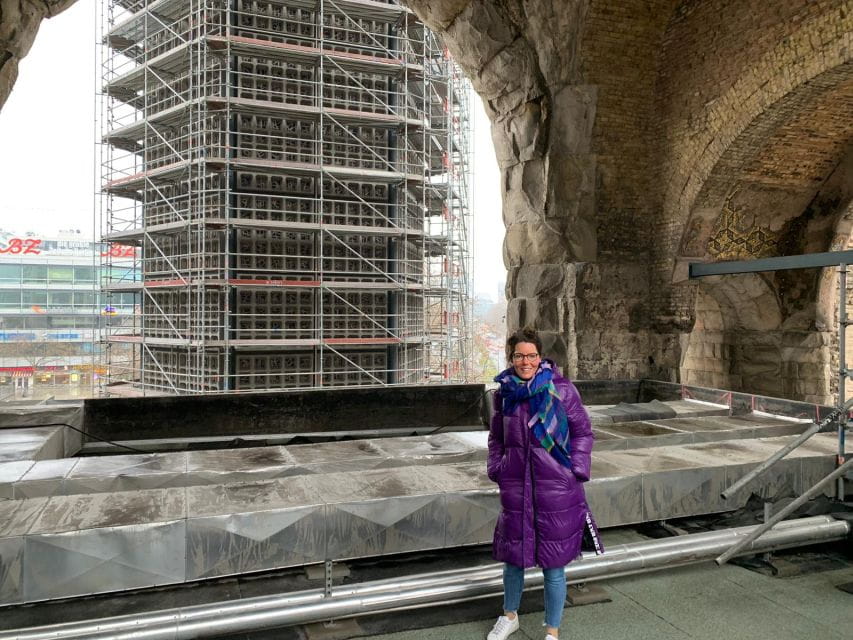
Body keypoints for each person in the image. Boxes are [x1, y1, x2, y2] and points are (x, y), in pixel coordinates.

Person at [486, 327, 603, 640]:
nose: (526, 362)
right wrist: (497, 468)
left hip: (557, 490)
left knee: (554, 565)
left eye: (532, 355)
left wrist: (575, 470)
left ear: (540, 356)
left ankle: (552, 631)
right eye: (519, 356)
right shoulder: (504, 394)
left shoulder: (562, 390)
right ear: (511, 358)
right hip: (516, 488)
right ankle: (509, 616)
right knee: (513, 561)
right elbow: (497, 438)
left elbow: (583, 433)